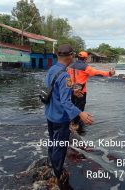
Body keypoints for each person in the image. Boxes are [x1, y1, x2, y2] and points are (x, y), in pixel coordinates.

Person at [44, 44, 93, 186]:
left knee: (53, 140)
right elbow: (66, 103)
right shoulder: (65, 75)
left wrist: (71, 91)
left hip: (50, 114)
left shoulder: (52, 69)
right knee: (60, 145)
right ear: (69, 56)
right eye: (73, 55)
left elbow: (52, 89)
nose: (74, 57)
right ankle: (57, 175)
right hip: (60, 118)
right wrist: (81, 113)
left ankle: (50, 163)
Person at [68, 51, 115, 131]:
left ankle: (70, 121)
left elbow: (67, 77)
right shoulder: (85, 67)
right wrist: (109, 73)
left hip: (72, 89)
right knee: (80, 107)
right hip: (81, 91)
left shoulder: (70, 66)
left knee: (73, 105)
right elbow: (96, 73)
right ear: (85, 58)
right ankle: (75, 124)